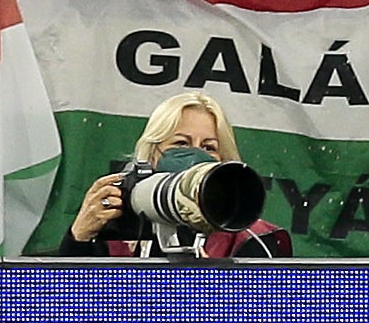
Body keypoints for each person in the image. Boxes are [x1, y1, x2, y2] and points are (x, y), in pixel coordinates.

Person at [57, 90, 291, 258]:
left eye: (209, 147)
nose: (194, 157)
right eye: (180, 143)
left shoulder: (253, 237)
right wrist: (79, 237)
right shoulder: (117, 229)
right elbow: (73, 312)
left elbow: (266, 322)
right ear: (152, 155)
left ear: (224, 160)